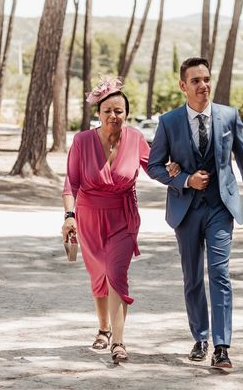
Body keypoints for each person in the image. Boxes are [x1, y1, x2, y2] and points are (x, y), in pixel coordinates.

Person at [147, 57, 243, 369]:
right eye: (195, 80)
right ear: (183, 86)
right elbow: (154, 166)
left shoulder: (228, 115)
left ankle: (222, 347)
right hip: (185, 209)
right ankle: (200, 336)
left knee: (220, 275)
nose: (203, 85)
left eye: (206, 79)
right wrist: (184, 179)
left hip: (220, 207)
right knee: (193, 277)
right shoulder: (169, 122)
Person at [61, 76, 180, 364]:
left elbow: (153, 169)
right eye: (107, 111)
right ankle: (103, 328)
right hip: (89, 217)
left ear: (126, 114)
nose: (113, 116)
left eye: (119, 111)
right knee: (98, 276)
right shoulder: (82, 141)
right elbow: (71, 183)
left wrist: (174, 171)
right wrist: (69, 216)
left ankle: (119, 341)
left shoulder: (136, 138)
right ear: (98, 114)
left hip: (124, 218)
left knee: (116, 275)